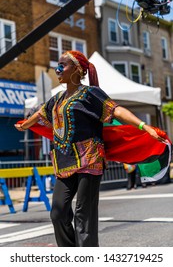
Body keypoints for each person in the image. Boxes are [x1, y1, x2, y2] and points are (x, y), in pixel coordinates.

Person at [14, 50, 166, 247]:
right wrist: (25, 125)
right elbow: (41, 113)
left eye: (62, 65)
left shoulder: (91, 93)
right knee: (58, 213)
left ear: (77, 69)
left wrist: (143, 126)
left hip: (90, 159)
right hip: (64, 162)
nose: (57, 69)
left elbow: (116, 110)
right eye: (57, 65)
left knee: (83, 215)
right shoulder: (57, 98)